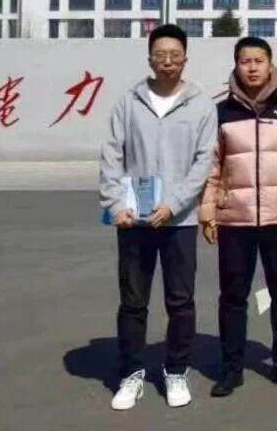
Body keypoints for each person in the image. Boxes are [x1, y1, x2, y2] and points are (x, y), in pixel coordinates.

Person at [99, 23, 218, 411]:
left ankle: (176, 370)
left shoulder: (201, 105)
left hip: (178, 221)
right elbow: (112, 155)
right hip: (134, 219)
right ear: (149, 58)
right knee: (133, 301)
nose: (168, 61)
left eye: (175, 55)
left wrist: (175, 204)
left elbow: (203, 162)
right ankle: (131, 373)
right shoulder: (129, 102)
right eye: (160, 55)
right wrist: (115, 204)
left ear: (185, 58)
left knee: (180, 301)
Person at [199, 36, 277, 397]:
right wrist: (208, 214)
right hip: (234, 219)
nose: (251, 67)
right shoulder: (220, 113)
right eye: (244, 61)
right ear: (235, 66)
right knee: (232, 296)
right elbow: (210, 168)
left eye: (258, 61)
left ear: (270, 65)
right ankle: (231, 368)